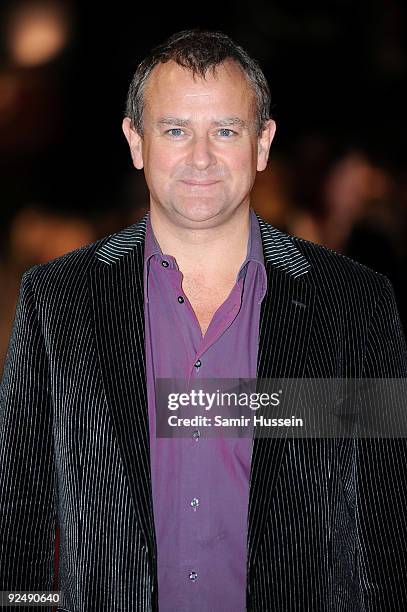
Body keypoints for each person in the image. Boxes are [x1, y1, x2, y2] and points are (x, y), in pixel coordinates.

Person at [1, 29, 406, 612]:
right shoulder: (56, 301)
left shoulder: (354, 305)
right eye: (174, 131)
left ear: (262, 143)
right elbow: (20, 520)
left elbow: (385, 532)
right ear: (135, 141)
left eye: (224, 130)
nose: (199, 158)